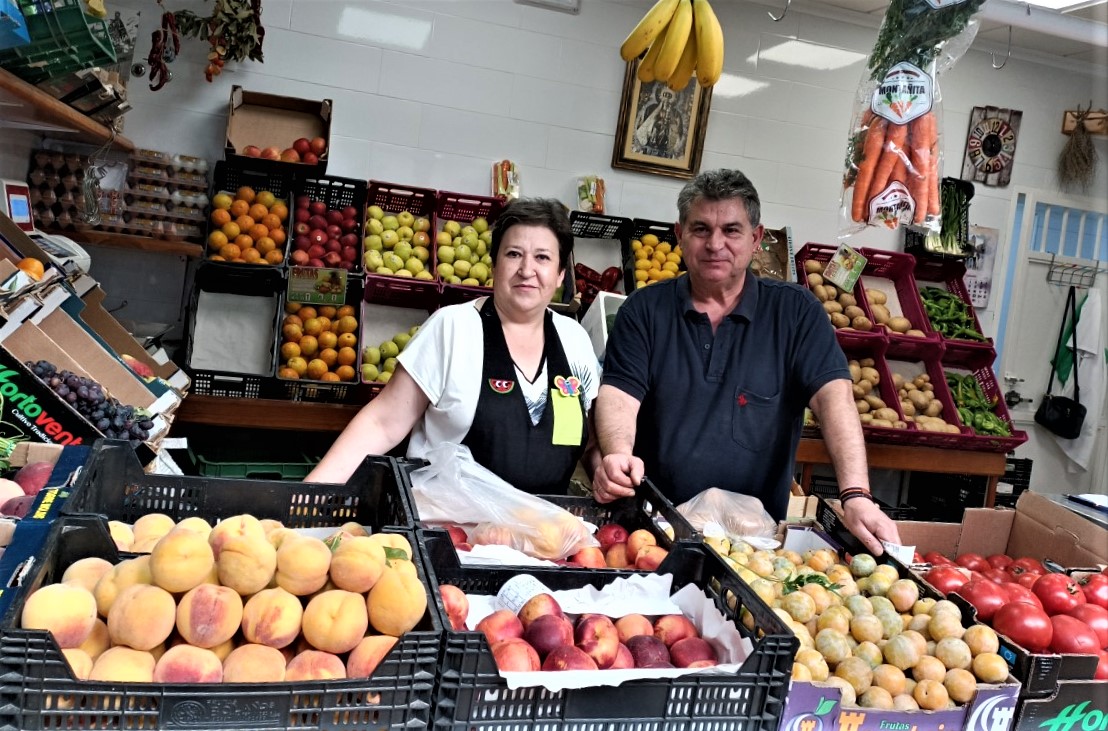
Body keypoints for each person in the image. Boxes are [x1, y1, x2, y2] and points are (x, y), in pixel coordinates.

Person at [591, 169, 901, 556]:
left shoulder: (796, 313)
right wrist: (618, 453)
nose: (715, 244)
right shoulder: (644, 310)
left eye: (732, 231)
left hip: (752, 547)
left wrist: (856, 494)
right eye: (701, 229)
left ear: (756, 238)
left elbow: (833, 398)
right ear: (680, 234)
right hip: (652, 534)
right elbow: (619, 394)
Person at [306, 198, 601, 494]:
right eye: (514, 254)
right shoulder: (453, 328)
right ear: (495, 263)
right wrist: (309, 496)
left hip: (547, 531)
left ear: (561, 274)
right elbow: (382, 423)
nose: (526, 269)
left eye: (542, 258)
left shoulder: (575, 341)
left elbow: (587, 441)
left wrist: (605, 469)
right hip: (450, 529)